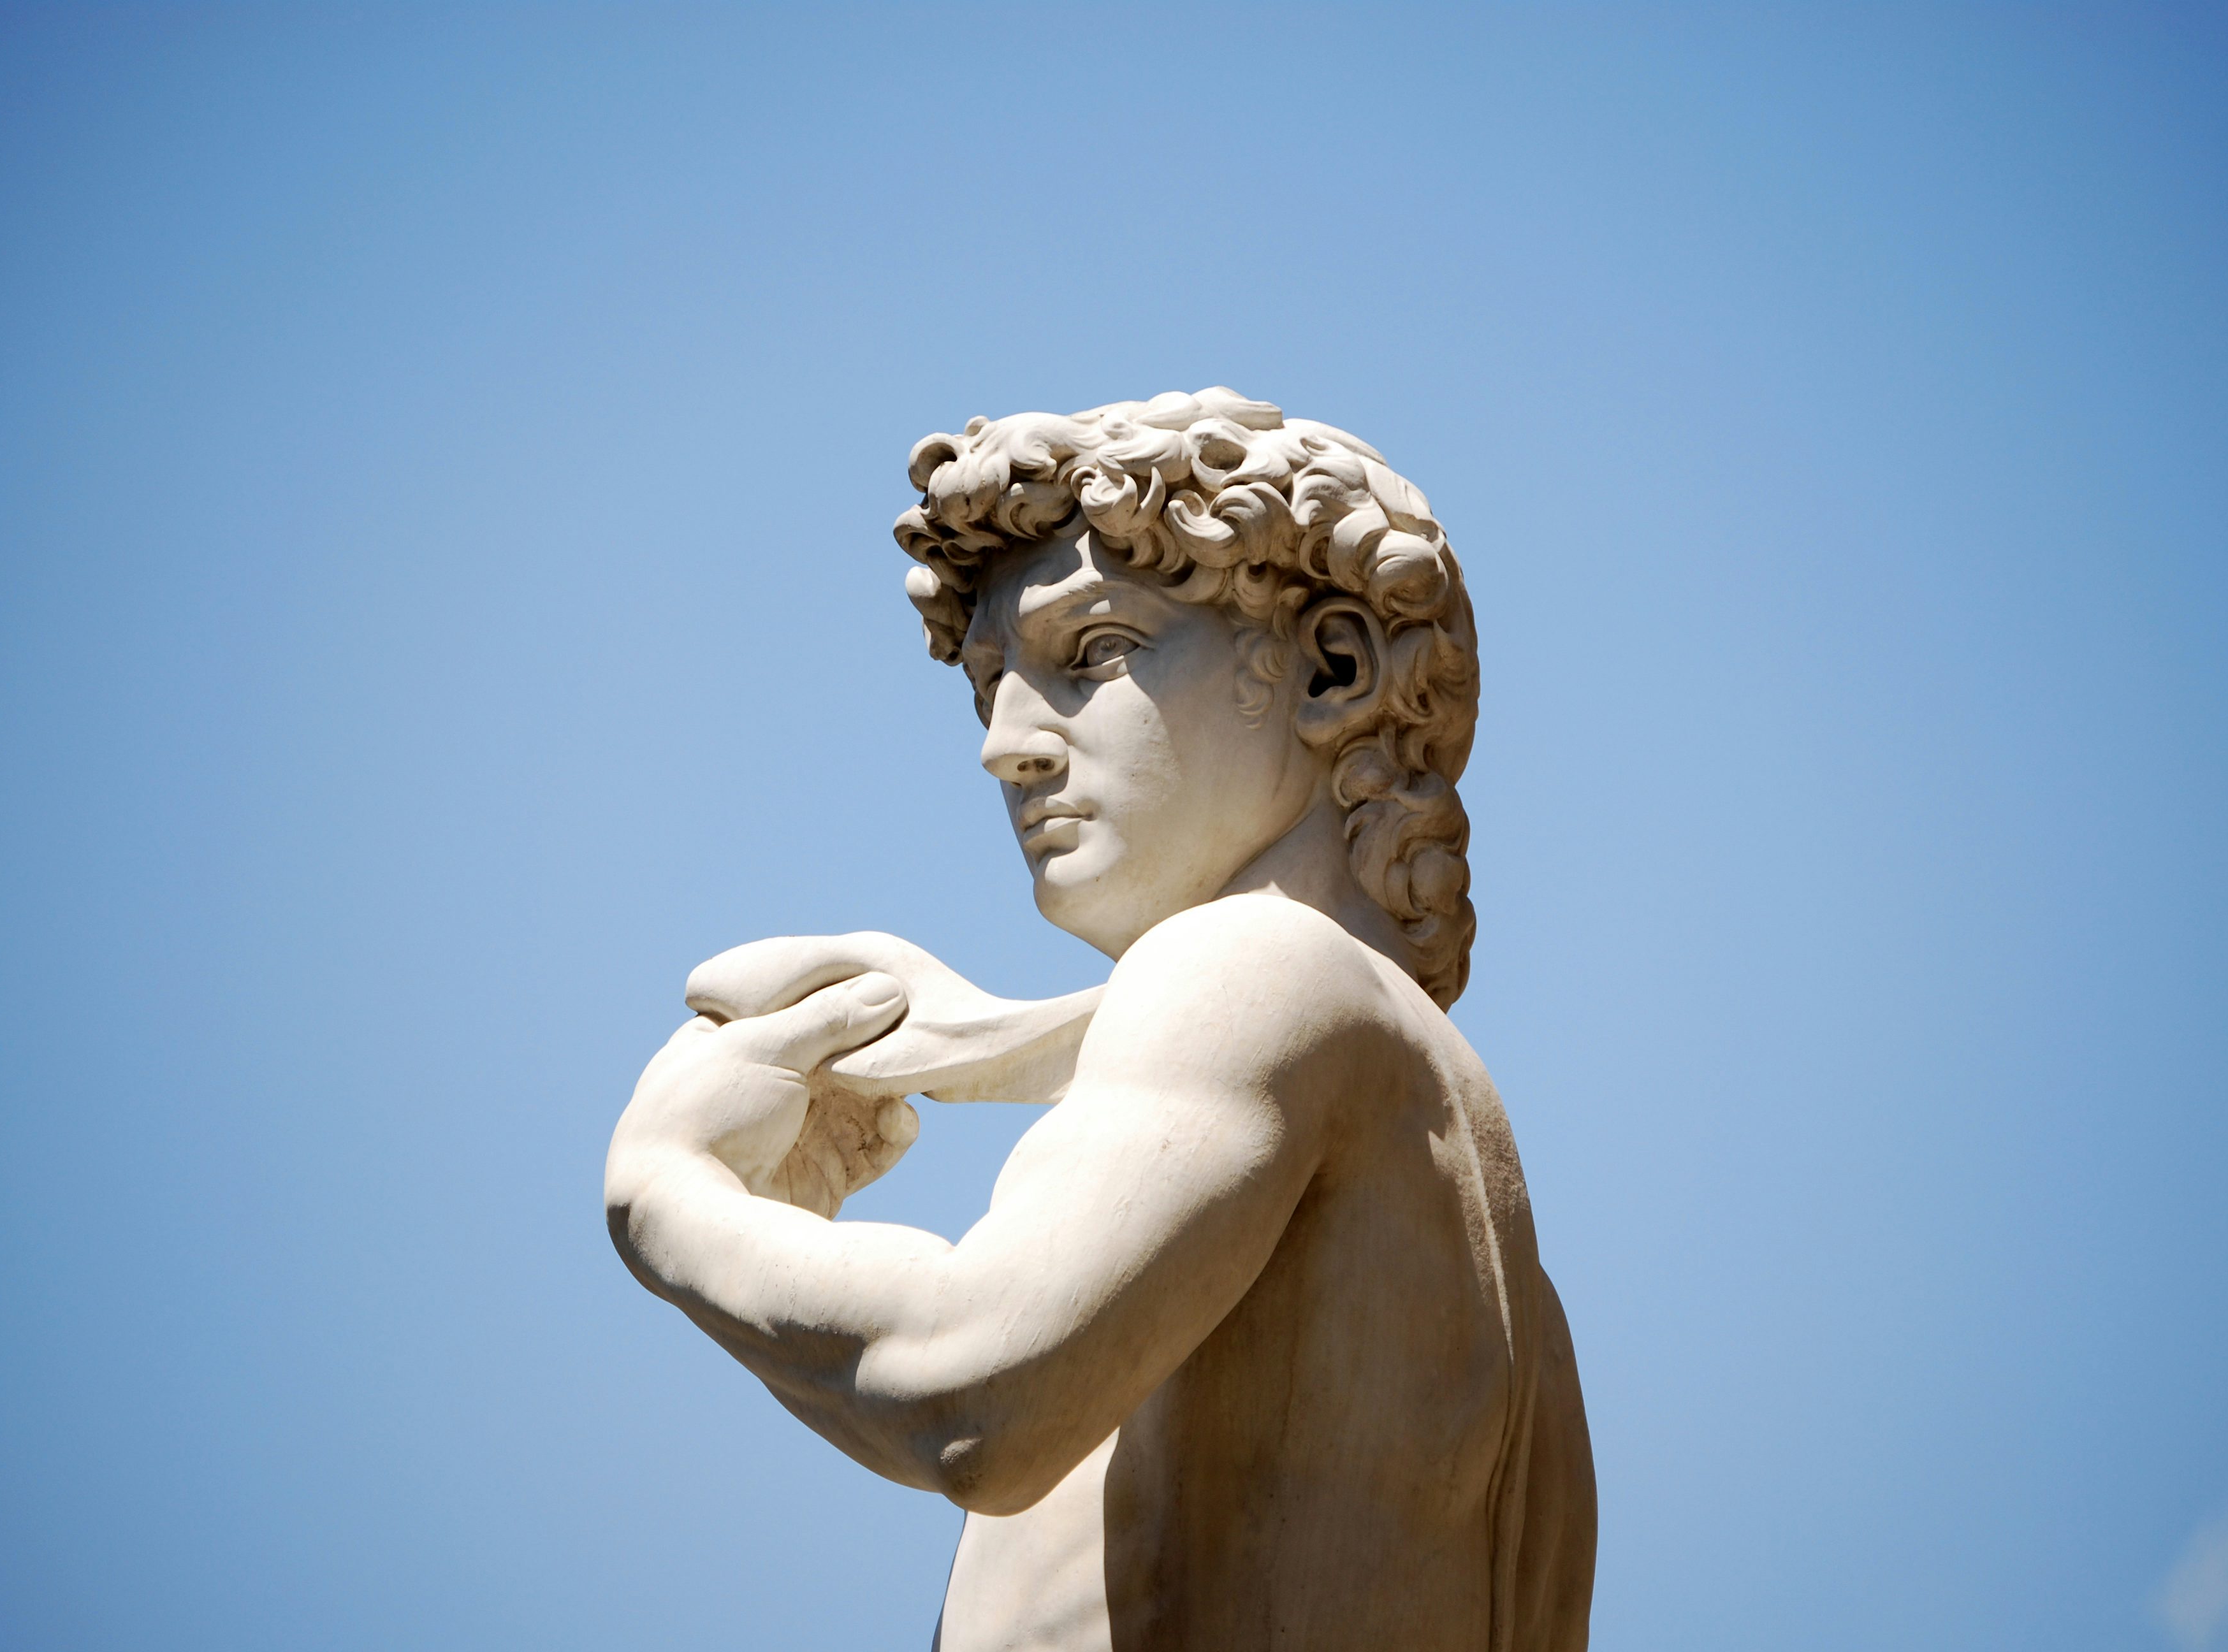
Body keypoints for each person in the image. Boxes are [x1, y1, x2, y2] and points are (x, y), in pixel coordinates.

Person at [604, 389, 1596, 1649]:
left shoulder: (1255, 968)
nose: (1006, 746)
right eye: (990, 685)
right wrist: (972, 1042)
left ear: (1332, 669)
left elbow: (969, 1390)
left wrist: (670, 1193)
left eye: (1094, 651)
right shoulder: (1496, 1252)